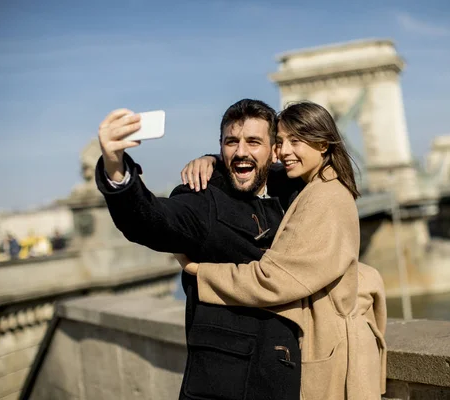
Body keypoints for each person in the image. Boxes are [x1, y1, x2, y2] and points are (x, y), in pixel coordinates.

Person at [95, 99, 304, 400]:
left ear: (274, 151)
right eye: (231, 142)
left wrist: (211, 159)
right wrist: (115, 168)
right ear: (221, 146)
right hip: (225, 387)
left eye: (253, 142)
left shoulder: (295, 191)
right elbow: (149, 221)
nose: (241, 151)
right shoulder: (203, 199)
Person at [181, 102, 386, 400]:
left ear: (323, 143)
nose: (283, 152)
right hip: (333, 343)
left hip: (335, 353)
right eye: (279, 142)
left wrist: (199, 271)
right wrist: (212, 159)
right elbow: (253, 160)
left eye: (296, 141)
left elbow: (274, 279)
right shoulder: (316, 185)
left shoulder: (325, 199)